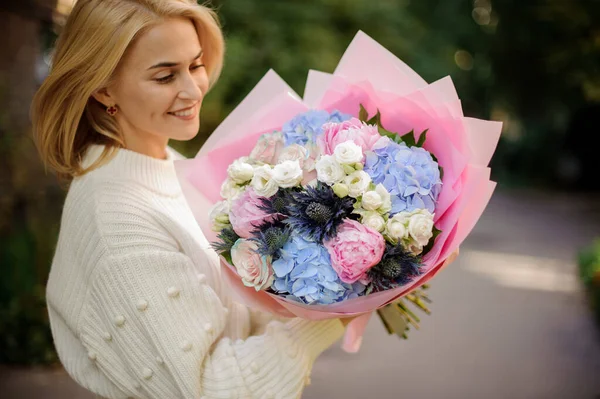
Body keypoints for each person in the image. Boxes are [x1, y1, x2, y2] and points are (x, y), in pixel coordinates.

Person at [31, 1, 350, 398]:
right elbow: (210, 389)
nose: (192, 89)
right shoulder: (116, 223)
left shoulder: (172, 166)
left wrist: (348, 262)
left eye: (195, 65)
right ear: (102, 87)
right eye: (165, 76)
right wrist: (339, 310)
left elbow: (238, 311)